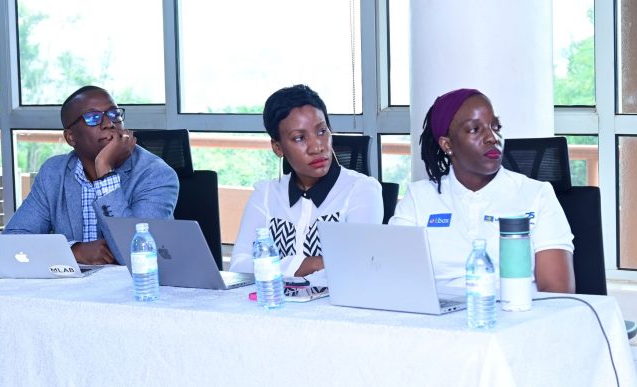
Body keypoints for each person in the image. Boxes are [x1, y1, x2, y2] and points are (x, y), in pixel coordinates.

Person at [389, 88, 575, 293]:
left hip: (519, 317)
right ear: (447, 144)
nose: (492, 138)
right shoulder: (418, 199)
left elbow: (558, 294)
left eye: (496, 127)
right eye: (475, 129)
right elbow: (394, 279)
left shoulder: (536, 195)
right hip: (436, 320)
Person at [4, 85, 179, 265]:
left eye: (114, 114)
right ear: (71, 137)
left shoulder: (156, 175)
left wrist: (104, 170)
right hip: (72, 288)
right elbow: (13, 240)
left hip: (133, 288)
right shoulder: (54, 173)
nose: (109, 123)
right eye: (93, 118)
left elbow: (138, 255)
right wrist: (72, 251)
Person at [230, 84, 383, 282]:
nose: (317, 147)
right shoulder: (266, 194)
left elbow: (357, 265)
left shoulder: (361, 190)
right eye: (300, 138)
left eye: (322, 131)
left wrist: (271, 266)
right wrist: (315, 263)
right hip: (274, 307)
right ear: (278, 147)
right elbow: (239, 265)